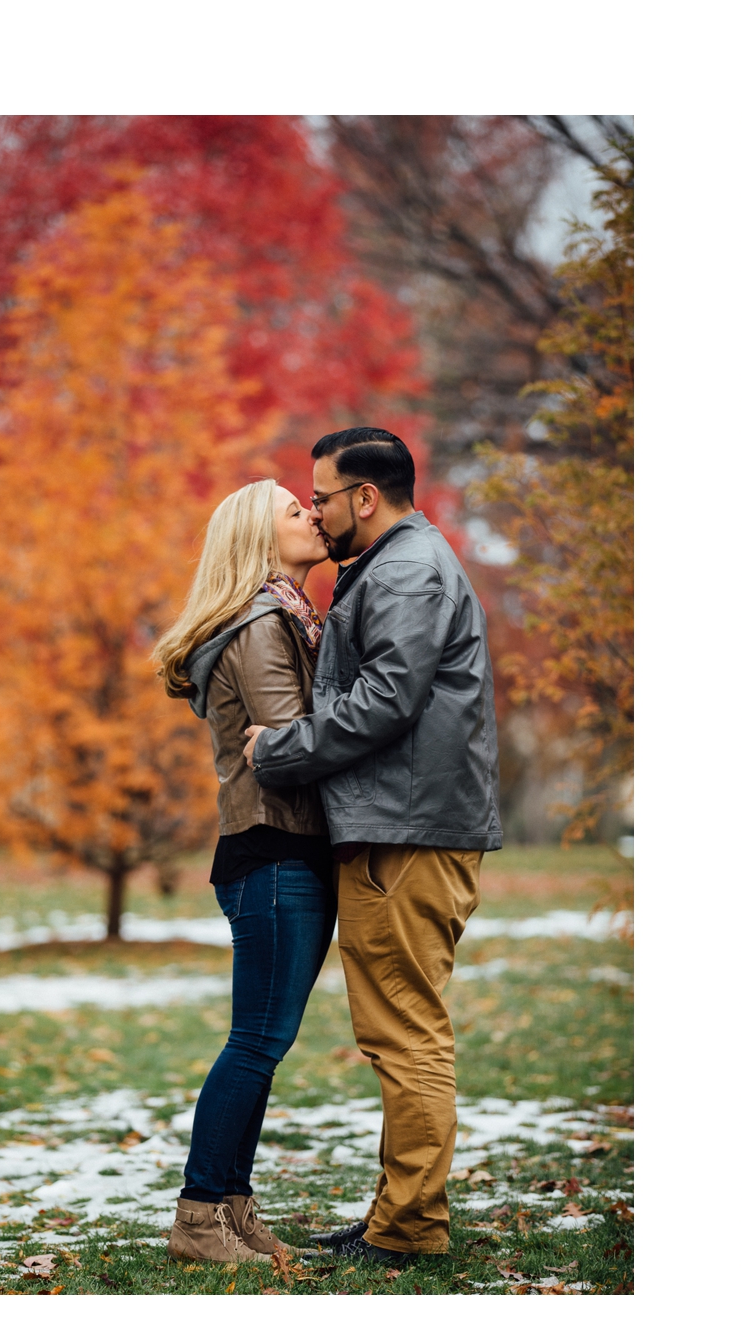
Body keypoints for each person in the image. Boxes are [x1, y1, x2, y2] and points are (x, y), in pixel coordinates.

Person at [242, 427, 502, 1269]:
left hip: (407, 832)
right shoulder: (392, 569)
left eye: (320, 496)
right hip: (405, 825)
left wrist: (276, 750)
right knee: (398, 1029)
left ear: (365, 496)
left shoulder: (404, 571)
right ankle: (397, 1213)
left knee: (406, 1033)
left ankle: (410, 1230)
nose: (313, 511)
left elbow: (387, 702)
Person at [150, 479, 335, 1264]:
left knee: (265, 1040)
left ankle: (232, 1206)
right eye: (296, 510)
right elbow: (291, 745)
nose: (314, 514)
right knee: (256, 1041)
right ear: (260, 537)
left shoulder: (281, 617)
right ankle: (200, 1215)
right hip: (274, 850)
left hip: (280, 849)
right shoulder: (262, 625)